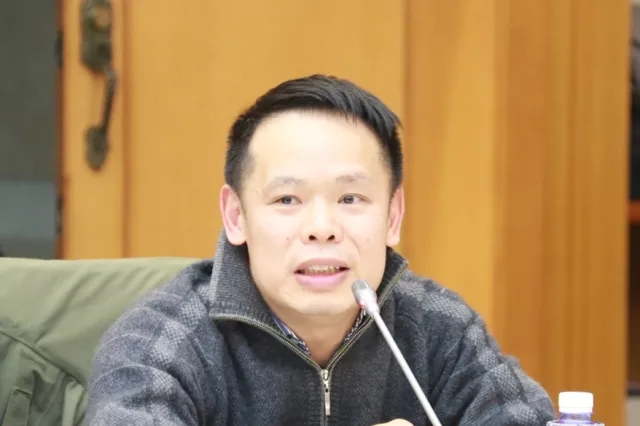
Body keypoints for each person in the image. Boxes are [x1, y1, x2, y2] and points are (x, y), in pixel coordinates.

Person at [85, 75, 556, 425]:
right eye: (287, 200)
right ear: (236, 216)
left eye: (350, 199)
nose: (322, 229)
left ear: (393, 216)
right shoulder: (163, 342)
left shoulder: (439, 329)